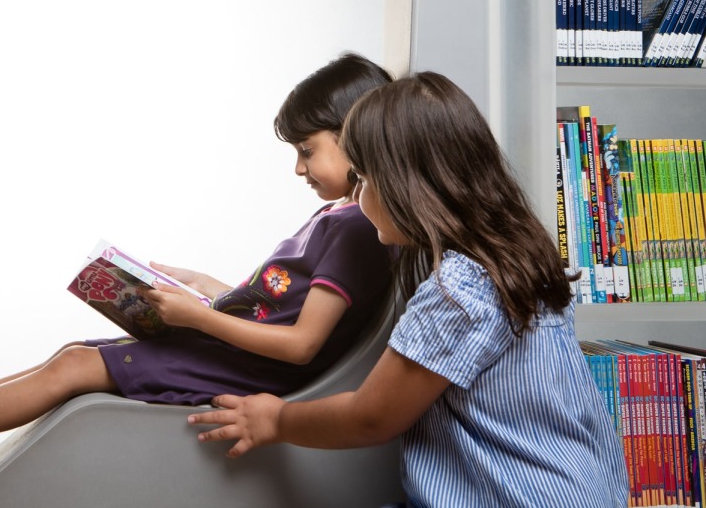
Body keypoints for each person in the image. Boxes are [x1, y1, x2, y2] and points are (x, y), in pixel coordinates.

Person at [0, 53, 396, 475]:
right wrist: (206, 287)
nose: (299, 169)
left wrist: (199, 317)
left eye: (307, 150)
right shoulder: (340, 216)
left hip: (248, 372)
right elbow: (281, 305)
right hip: (236, 353)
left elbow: (301, 344)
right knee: (73, 357)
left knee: (74, 368)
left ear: (356, 134)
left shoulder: (355, 229)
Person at [189, 72, 631, 508]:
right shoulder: (519, 258)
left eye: (363, 179)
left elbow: (371, 417)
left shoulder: (458, 291)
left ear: (406, 184)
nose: (357, 197)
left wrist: (277, 419)